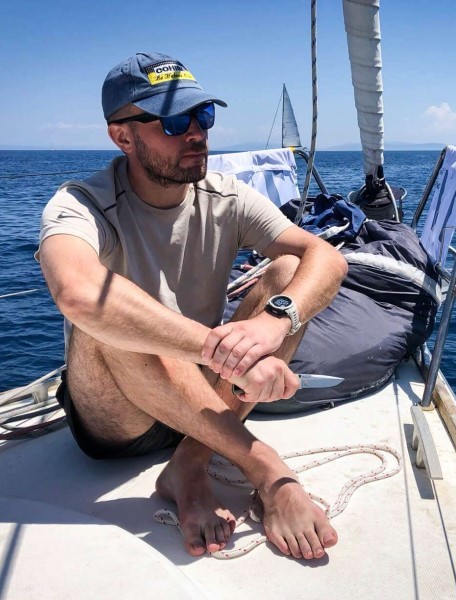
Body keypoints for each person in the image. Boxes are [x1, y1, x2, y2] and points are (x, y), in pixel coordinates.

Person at [38, 51, 348, 560]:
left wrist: (276, 323)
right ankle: (267, 469)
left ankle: (191, 459)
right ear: (122, 136)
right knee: (105, 310)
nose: (197, 134)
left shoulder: (226, 196)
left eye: (202, 116)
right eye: (175, 122)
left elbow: (325, 257)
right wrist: (221, 352)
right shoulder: (82, 204)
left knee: (290, 272)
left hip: (201, 397)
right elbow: (76, 291)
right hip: (120, 418)